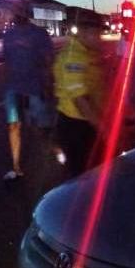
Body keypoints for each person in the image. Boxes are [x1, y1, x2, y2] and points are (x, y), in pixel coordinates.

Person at [1, 8, 55, 180]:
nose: (18, 14)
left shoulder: (39, 34)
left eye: (21, 10)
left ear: (27, 13)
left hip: (35, 86)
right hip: (13, 88)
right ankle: (16, 166)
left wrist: (48, 84)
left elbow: (48, 60)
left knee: (39, 127)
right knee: (13, 126)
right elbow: (6, 61)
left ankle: (48, 160)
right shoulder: (8, 35)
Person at [52, 23, 107, 177]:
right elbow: (80, 99)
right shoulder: (73, 57)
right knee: (83, 174)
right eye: (96, 34)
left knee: (95, 170)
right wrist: (104, 129)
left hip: (88, 121)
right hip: (77, 125)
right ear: (83, 33)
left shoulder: (87, 52)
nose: (100, 38)